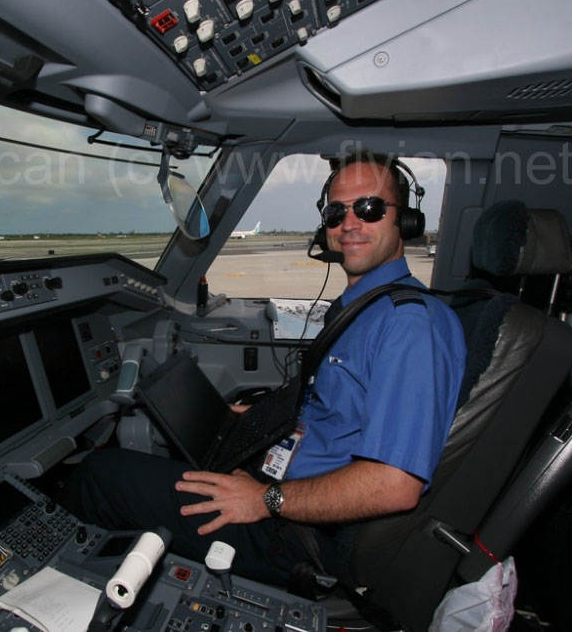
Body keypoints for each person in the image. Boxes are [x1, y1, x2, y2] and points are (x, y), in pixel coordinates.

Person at [61, 154, 466, 586]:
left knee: (99, 476)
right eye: (336, 212)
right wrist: (261, 422)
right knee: (193, 440)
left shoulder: (408, 323)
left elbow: (394, 484)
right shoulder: (365, 306)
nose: (349, 224)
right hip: (286, 488)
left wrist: (264, 499)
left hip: (296, 532)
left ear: (403, 220)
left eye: (368, 208)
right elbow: (337, 411)